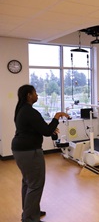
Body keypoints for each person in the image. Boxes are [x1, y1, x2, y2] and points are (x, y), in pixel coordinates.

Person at [11, 84, 69, 222]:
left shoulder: (22, 110)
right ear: (29, 96)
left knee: (27, 182)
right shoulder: (30, 111)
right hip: (29, 151)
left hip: (20, 150)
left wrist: (48, 128)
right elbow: (47, 131)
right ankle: (29, 218)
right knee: (35, 184)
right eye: (35, 93)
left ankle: (31, 210)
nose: (37, 95)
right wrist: (57, 116)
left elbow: (37, 128)